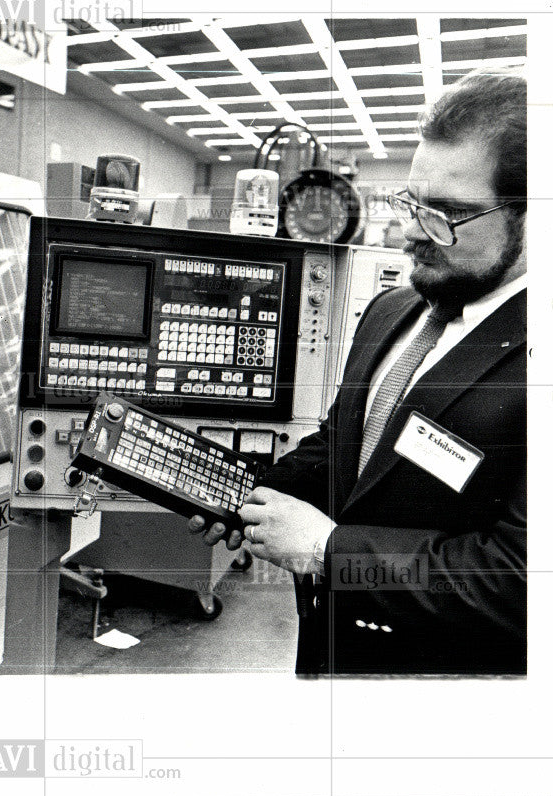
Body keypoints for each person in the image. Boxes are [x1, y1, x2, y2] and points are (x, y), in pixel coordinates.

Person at [190, 69, 527, 675]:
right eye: (410, 204)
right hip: (332, 658)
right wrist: (244, 493)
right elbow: (349, 439)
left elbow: (517, 583)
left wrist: (327, 551)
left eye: (444, 214)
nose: (409, 233)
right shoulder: (393, 310)